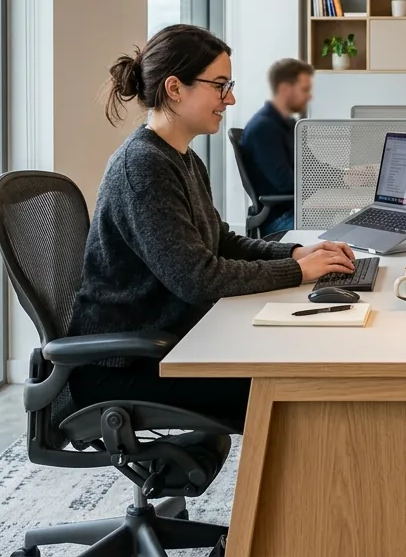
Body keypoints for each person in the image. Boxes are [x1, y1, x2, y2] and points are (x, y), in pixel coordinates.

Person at [66, 25, 354, 428]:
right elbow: (198, 279)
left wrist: (293, 253)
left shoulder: (181, 159)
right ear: (174, 88)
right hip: (125, 367)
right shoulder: (144, 167)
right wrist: (298, 271)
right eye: (220, 85)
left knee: (297, 362)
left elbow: (220, 242)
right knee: (294, 391)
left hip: (170, 342)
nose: (230, 98)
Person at [239, 58, 314, 234]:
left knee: (350, 224)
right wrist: (330, 183)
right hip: (280, 220)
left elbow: (313, 166)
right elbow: (285, 183)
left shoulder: (288, 125)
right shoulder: (264, 129)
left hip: (296, 211)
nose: (310, 96)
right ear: (284, 89)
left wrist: (346, 176)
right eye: (305, 90)